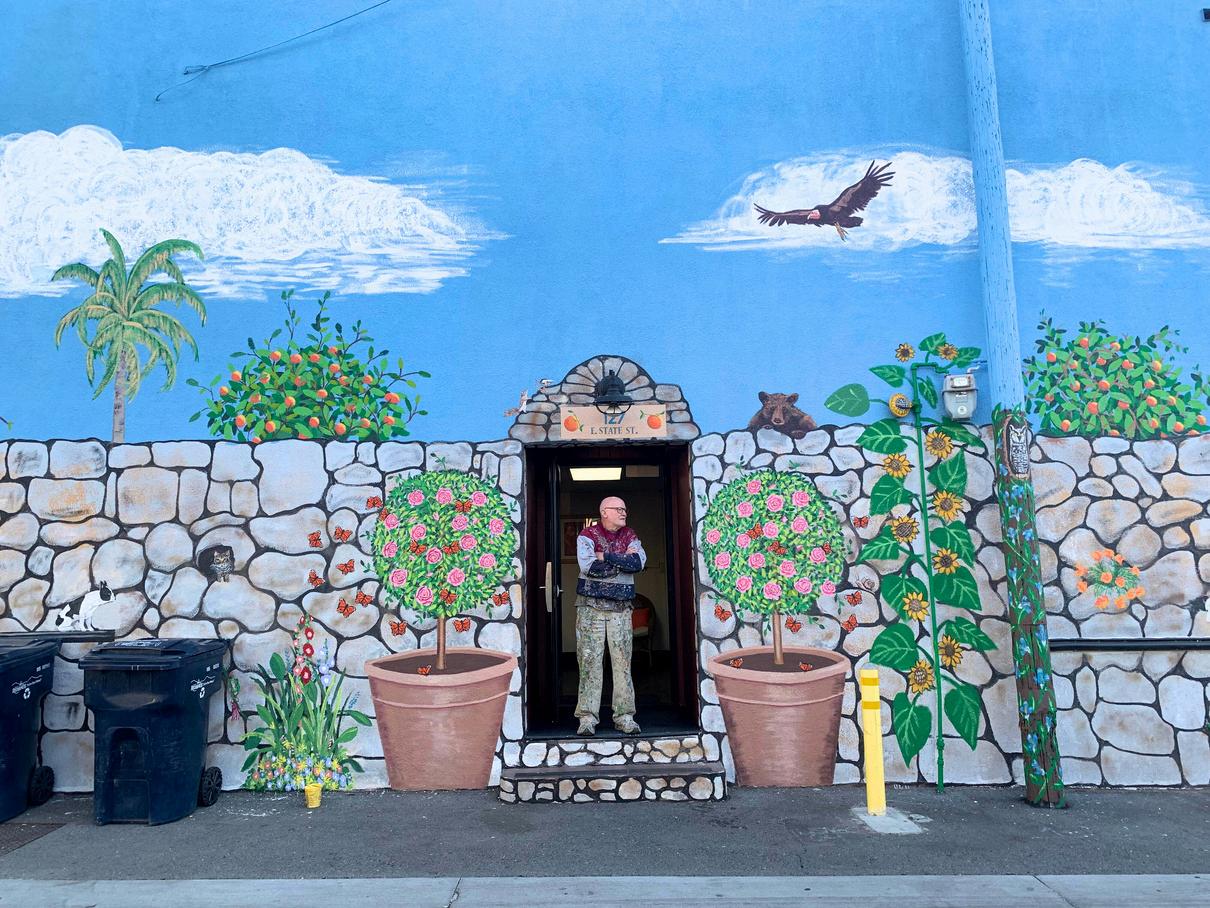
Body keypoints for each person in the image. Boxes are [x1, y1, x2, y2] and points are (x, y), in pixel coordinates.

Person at [573, 496, 647, 736]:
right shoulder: (587, 535)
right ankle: (587, 718)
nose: (624, 513)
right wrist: (621, 560)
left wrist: (605, 556)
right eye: (619, 509)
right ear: (604, 512)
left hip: (621, 609)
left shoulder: (630, 535)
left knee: (623, 663)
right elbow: (589, 567)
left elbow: (637, 563)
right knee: (589, 662)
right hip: (590, 608)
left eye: (625, 509)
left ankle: (625, 717)